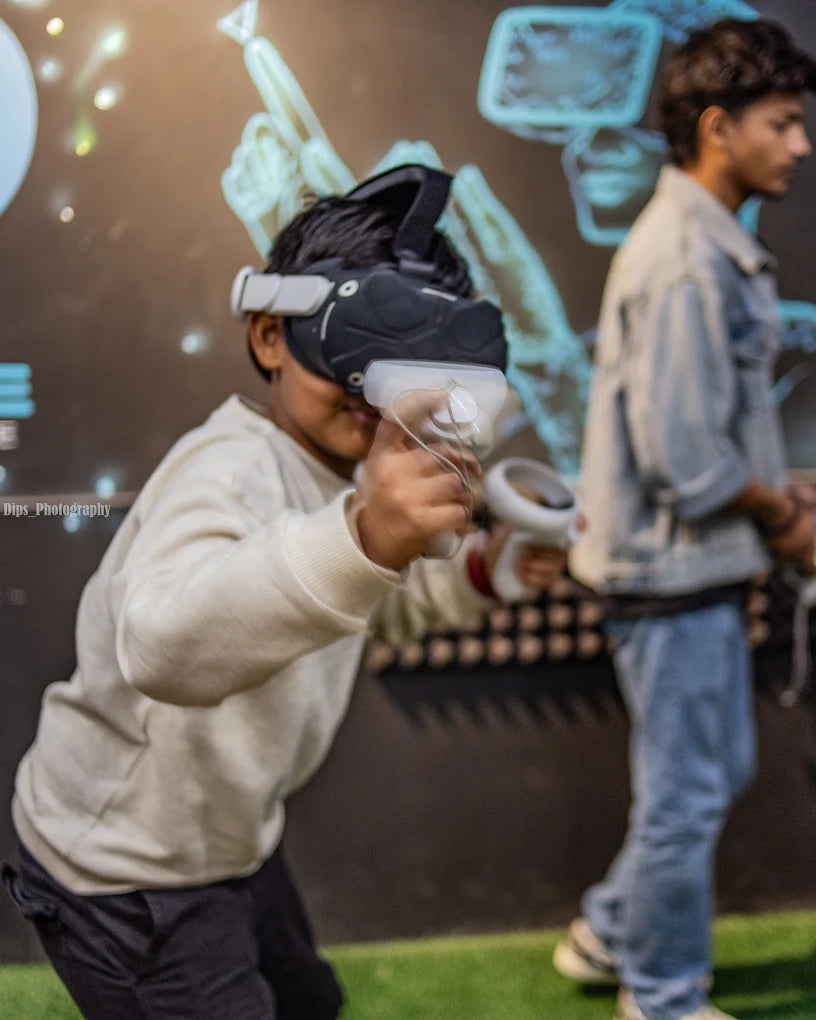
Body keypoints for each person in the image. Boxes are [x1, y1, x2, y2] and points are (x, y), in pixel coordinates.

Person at [2, 165, 566, 1019]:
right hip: (125, 866)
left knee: (308, 1002)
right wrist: (365, 535)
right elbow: (161, 645)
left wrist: (487, 570)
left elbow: (376, 603)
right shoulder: (226, 467)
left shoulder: (345, 482)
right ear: (270, 335)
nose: (375, 396)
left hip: (228, 837)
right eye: (354, 357)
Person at [559, 18, 816, 1020]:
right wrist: (784, 517)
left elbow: (709, 430)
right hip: (669, 574)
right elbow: (685, 461)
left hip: (691, 568)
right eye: (784, 123)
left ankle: (607, 935)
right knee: (687, 794)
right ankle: (659, 997)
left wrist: (784, 492)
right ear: (718, 127)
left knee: (711, 774)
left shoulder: (707, 246)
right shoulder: (681, 261)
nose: (800, 146)